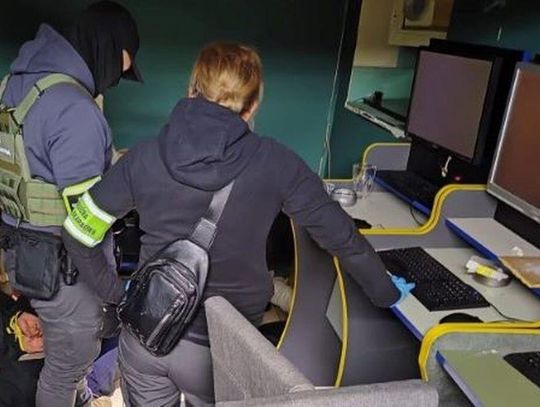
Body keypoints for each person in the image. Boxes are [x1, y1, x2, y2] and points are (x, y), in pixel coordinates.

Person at [63, 42, 413, 406]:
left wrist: (118, 293)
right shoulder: (278, 163)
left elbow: (76, 233)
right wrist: (386, 292)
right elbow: (342, 238)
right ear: (253, 106)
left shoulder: (142, 156)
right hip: (223, 350)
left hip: (147, 336)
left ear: (191, 89)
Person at [0, 1, 143, 406]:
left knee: (64, 362)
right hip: (65, 267)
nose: (112, 82)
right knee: (68, 366)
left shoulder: (18, 84)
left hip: (24, 255)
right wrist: (114, 290)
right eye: (117, 69)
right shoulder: (73, 108)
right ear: (103, 48)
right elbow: (84, 228)